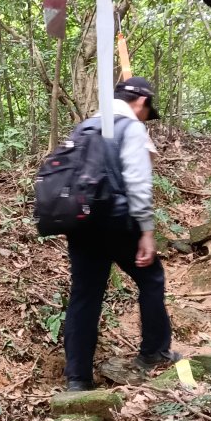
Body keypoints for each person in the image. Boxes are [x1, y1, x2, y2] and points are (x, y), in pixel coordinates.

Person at [63, 76, 178, 391]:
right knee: (150, 276)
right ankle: (154, 351)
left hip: (80, 223)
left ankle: (78, 379)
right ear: (140, 102)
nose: (145, 117)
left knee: (85, 295)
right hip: (116, 220)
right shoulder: (131, 128)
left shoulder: (85, 126)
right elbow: (139, 183)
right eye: (146, 110)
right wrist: (147, 232)